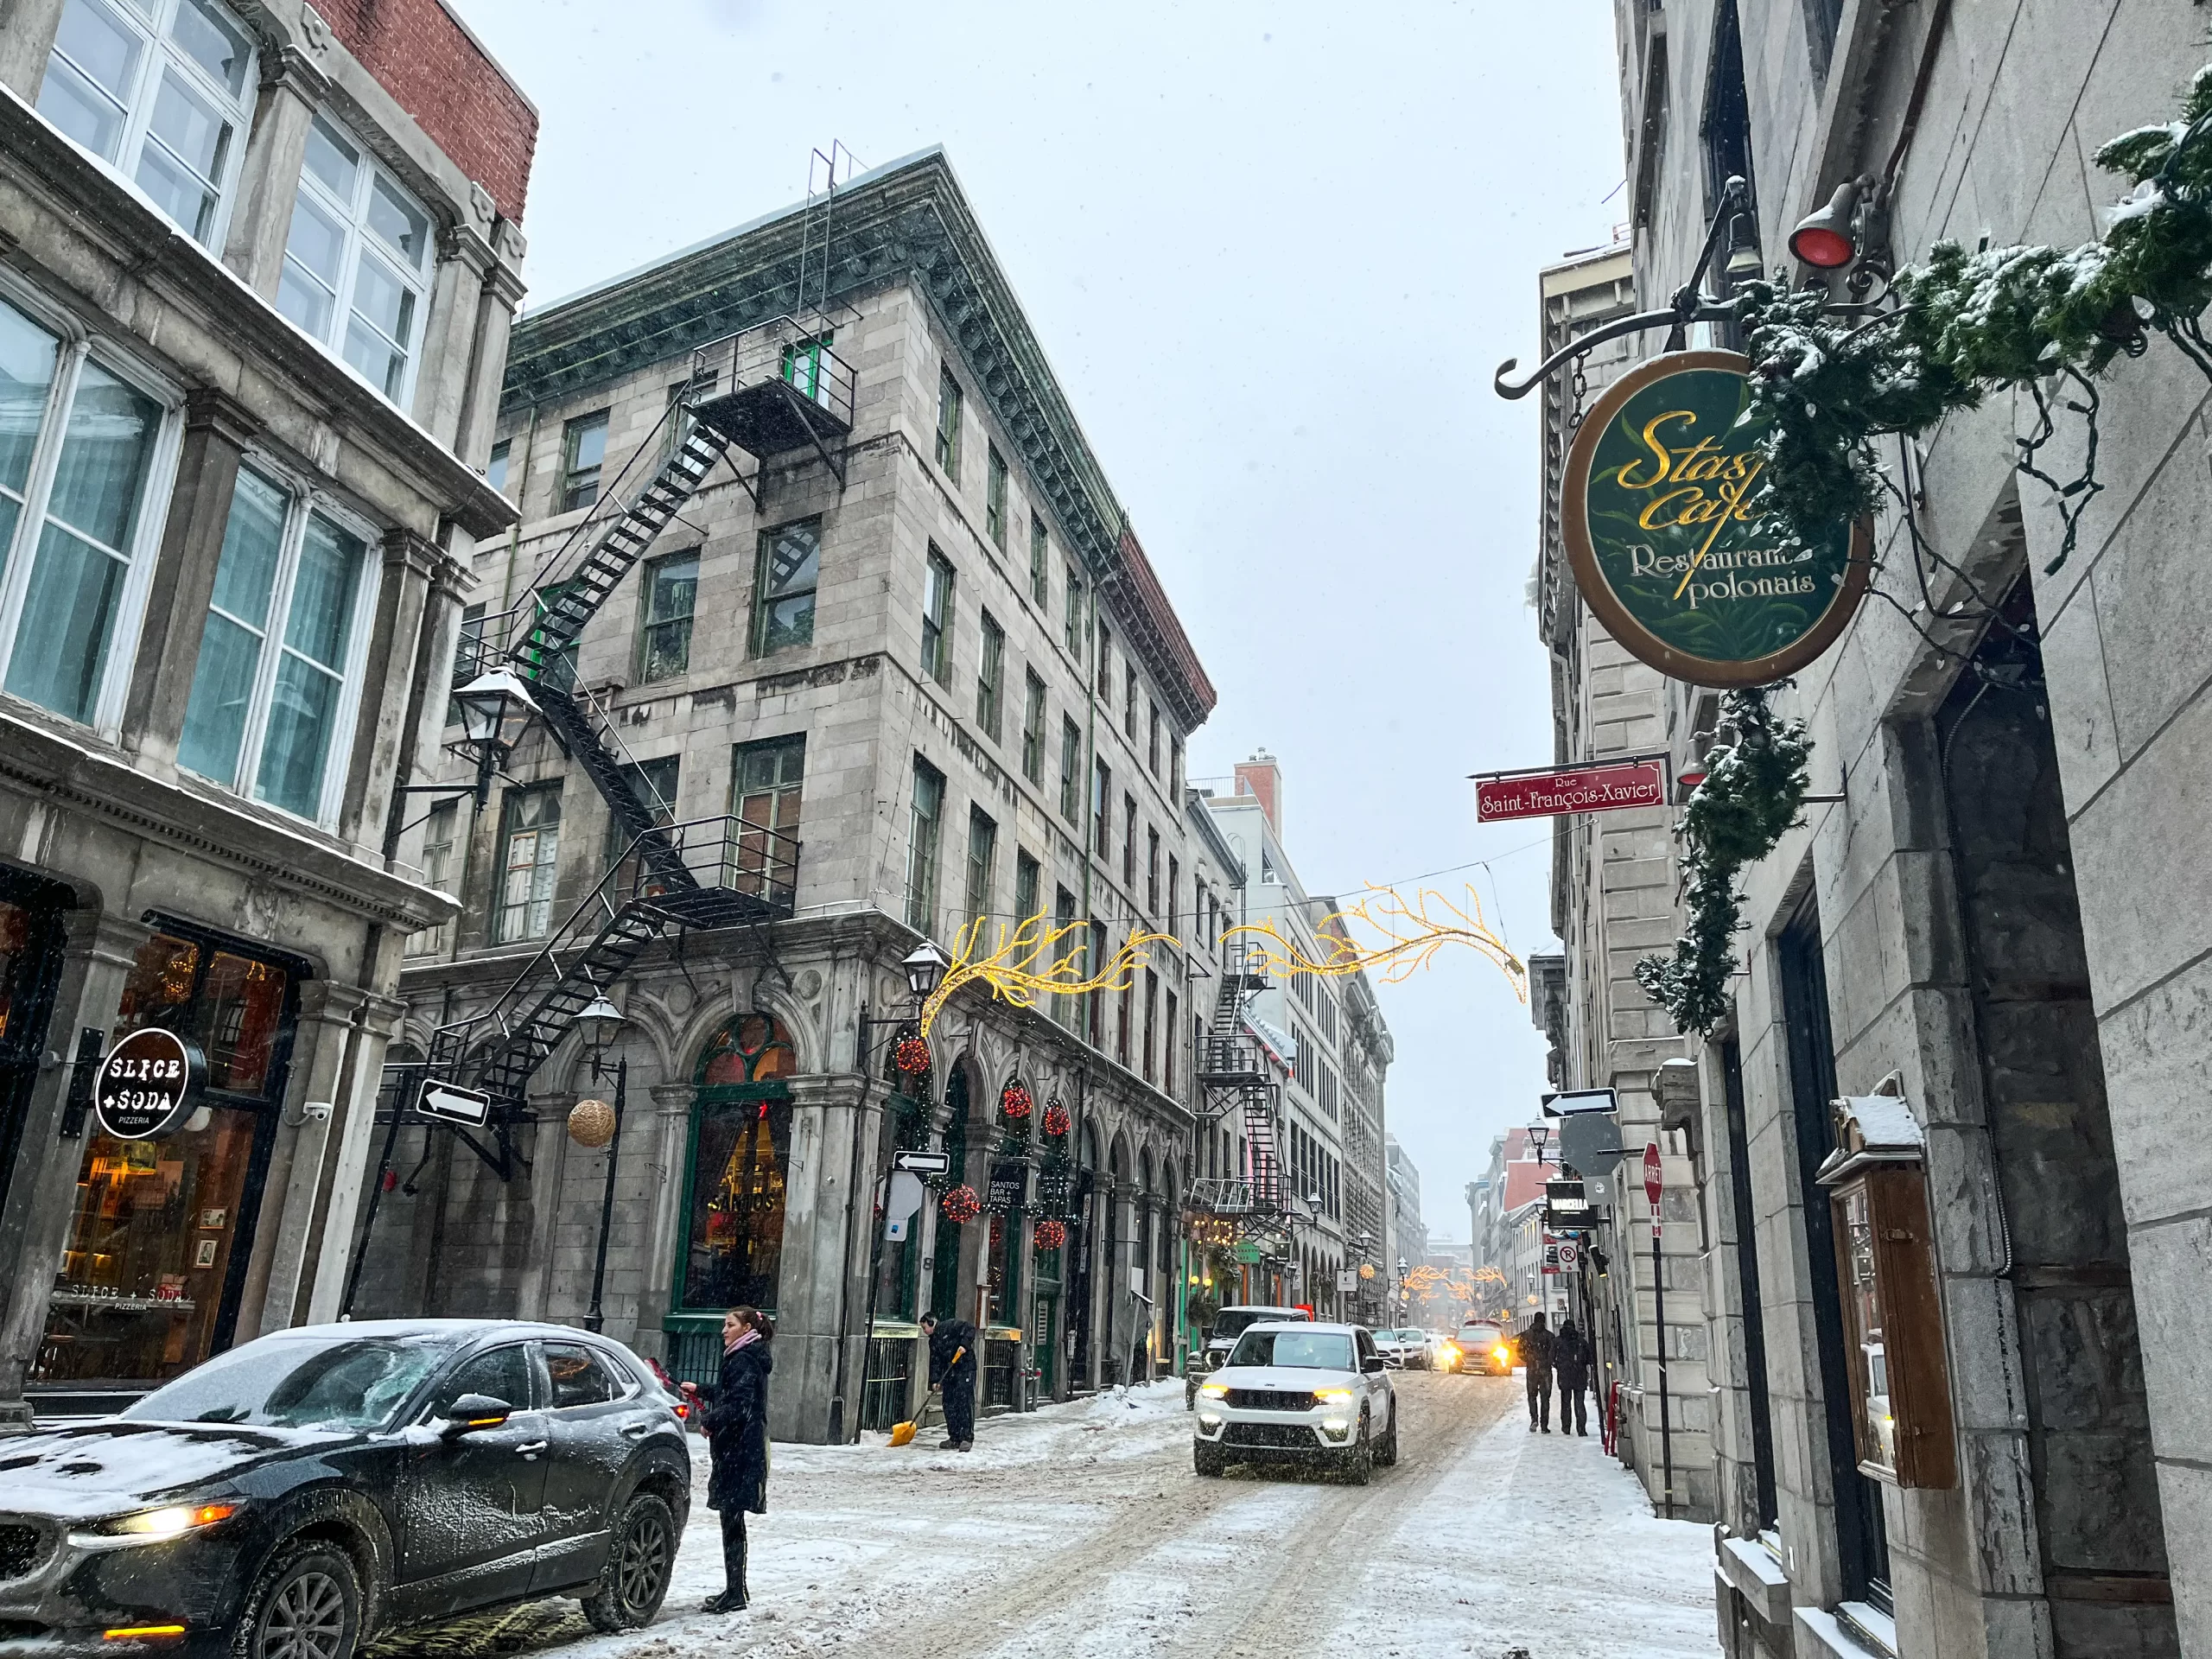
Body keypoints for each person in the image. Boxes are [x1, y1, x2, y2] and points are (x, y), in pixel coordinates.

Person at [681, 1306, 772, 1613]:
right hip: (741, 1450)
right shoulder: (745, 1356)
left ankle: (735, 1594)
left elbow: (740, 1404)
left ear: (746, 1328)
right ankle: (736, 1590)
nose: (723, 1330)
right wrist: (702, 1391)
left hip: (739, 1453)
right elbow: (731, 1395)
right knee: (733, 1521)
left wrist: (710, 1419)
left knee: (732, 1522)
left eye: (729, 1324)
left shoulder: (743, 1359)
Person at [919, 1310, 977, 1451]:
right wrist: (935, 1380)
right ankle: (955, 1437)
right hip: (949, 1373)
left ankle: (966, 1437)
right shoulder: (933, 1341)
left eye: (924, 1327)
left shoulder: (951, 1326)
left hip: (964, 1369)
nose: (924, 1331)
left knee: (964, 1402)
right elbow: (935, 1361)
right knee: (949, 1404)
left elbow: (970, 1328)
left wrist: (964, 1344)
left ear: (932, 1323)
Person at [1554, 1318, 1594, 1437]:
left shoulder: (1558, 1342)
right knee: (1579, 1403)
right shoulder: (1581, 1342)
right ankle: (1581, 1429)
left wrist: (1560, 1366)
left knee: (1566, 1403)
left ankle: (1566, 1427)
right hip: (1579, 1376)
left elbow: (1552, 1358)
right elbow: (1589, 1359)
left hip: (1564, 1376)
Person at [1520, 1311, 1555, 1433]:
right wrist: (1547, 1361)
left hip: (1532, 1370)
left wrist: (1528, 1359)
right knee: (1545, 1398)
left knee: (1532, 1396)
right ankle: (1544, 1425)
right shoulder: (1549, 1336)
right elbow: (1553, 1353)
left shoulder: (1526, 1335)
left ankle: (1534, 1419)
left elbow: (1519, 1351)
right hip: (1545, 1370)